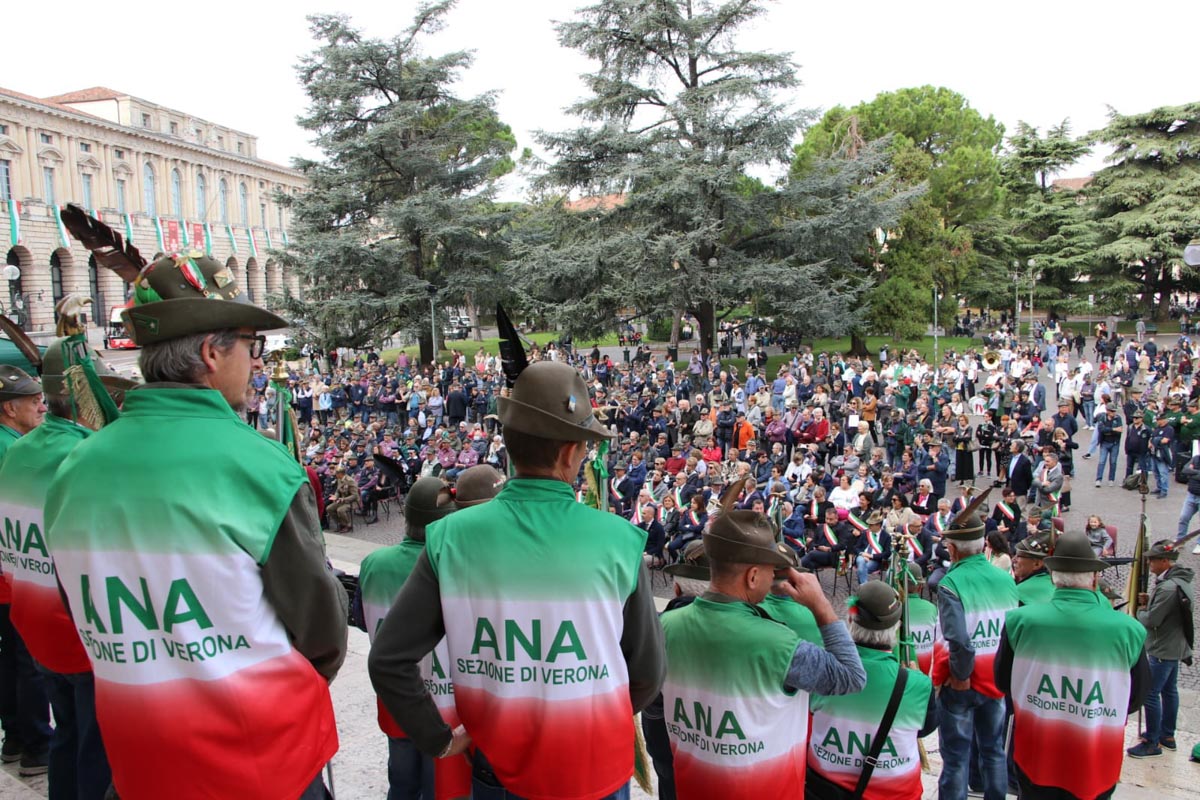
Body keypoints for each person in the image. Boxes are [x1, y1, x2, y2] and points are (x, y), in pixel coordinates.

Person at [43, 254, 349, 799]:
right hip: (262, 765)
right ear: (212, 352)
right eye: (252, 347)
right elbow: (321, 634)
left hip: (139, 760)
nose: (259, 364)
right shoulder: (259, 466)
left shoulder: (74, 467)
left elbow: (78, 608)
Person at [368, 360, 664, 800]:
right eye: (583, 447)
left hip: (496, 768)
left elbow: (387, 659)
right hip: (593, 769)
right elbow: (646, 674)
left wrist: (440, 739)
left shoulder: (449, 538)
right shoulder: (620, 542)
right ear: (569, 453)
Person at [660, 491, 865, 798]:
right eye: (771, 570)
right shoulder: (777, 642)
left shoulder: (665, 625)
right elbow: (851, 677)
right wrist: (822, 606)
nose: (774, 579)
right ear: (753, 576)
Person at [0, 340, 133, 796]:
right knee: (95, 747)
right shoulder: (86, 458)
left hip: (34, 622)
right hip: (81, 631)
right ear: (85, 394)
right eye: (107, 393)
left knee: (68, 736)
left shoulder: (19, 449)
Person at [358, 469, 503, 800]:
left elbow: (363, 620)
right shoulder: (462, 568)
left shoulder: (372, 563)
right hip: (450, 713)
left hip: (397, 704)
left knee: (402, 784)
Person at [996, 530, 1149, 798]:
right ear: (1094, 578)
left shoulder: (1019, 621)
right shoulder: (1129, 630)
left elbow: (1002, 681)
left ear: (1054, 576)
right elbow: (1135, 698)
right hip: (1096, 759)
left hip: (1037, 754)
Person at [806, 582, 937, 800]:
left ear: (849, 620)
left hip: (824, 789)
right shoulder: (918, 684)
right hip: (895, 793)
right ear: (896, 628)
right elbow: (924, 729)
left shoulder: (822, 670)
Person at [931, 493, 1019, 800]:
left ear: (953, 549)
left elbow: (958, 639)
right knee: (993, 750)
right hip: (995, 675)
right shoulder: (1006, 579)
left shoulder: (950, 583)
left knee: (956, 757)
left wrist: (960, 675)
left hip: (963, 679)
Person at [0, 365, 50, 776]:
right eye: (33, 401)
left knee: (11, 659)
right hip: (14, 571)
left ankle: (16, 737)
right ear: (9, 409)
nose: (41, 406)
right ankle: (35, 745)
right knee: (29, 659)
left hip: (8, 568)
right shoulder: (14, 449)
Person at [1129, 539, 1195, 758]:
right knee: (1169, 691)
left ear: (1165, 561)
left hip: (1162, 647)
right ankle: (1167, 735)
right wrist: (1151, 602)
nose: (1149, 564)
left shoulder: (1167, 587)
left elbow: (1154, 619)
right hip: (1173, 644)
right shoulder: (1178, 581)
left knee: (1150, 693)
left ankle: (1152, 741)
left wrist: (1140, 610)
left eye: (1153, 561)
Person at [1012, 534, 1054, 606]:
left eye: (1019, 556)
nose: (1013, 559)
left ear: (1037, 564)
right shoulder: (1059, 585)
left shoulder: (1019, 592)